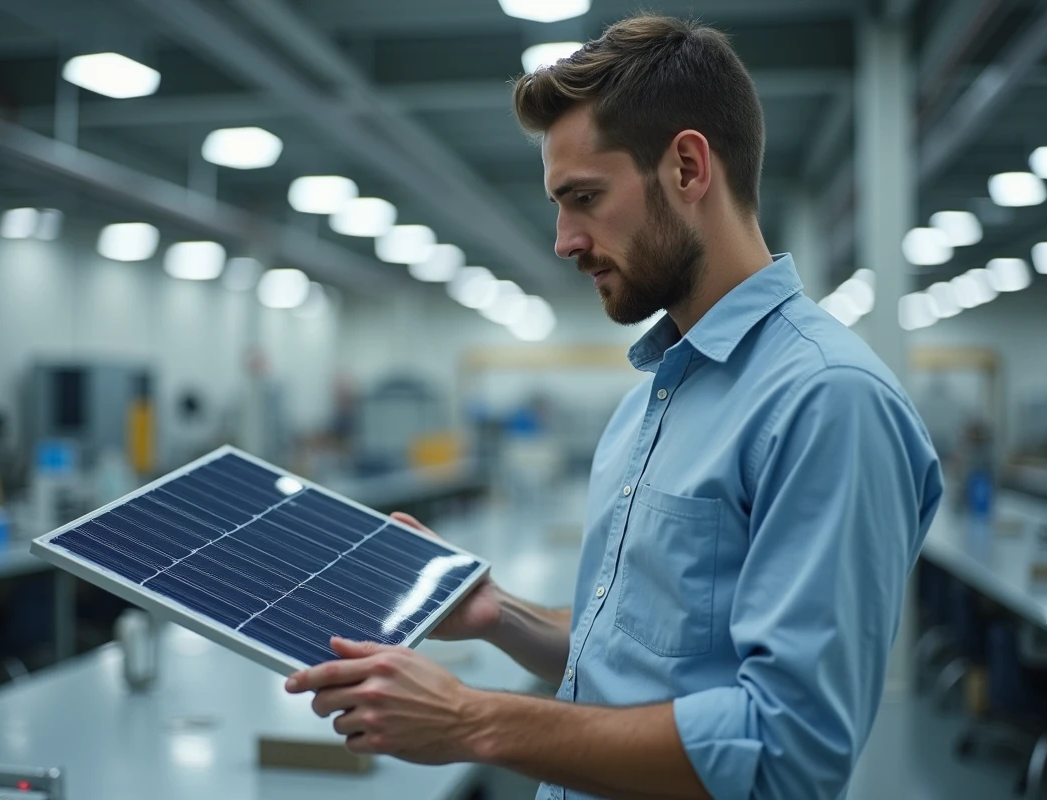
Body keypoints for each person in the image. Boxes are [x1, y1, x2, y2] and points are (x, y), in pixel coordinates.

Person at [286, 14, 943, 800]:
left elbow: (786, 751)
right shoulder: (652, 401)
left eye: (585, 197)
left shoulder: (828, 401)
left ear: (688, 168)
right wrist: (498, 614)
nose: (564, 241)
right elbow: (639, 660)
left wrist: (473, 721)